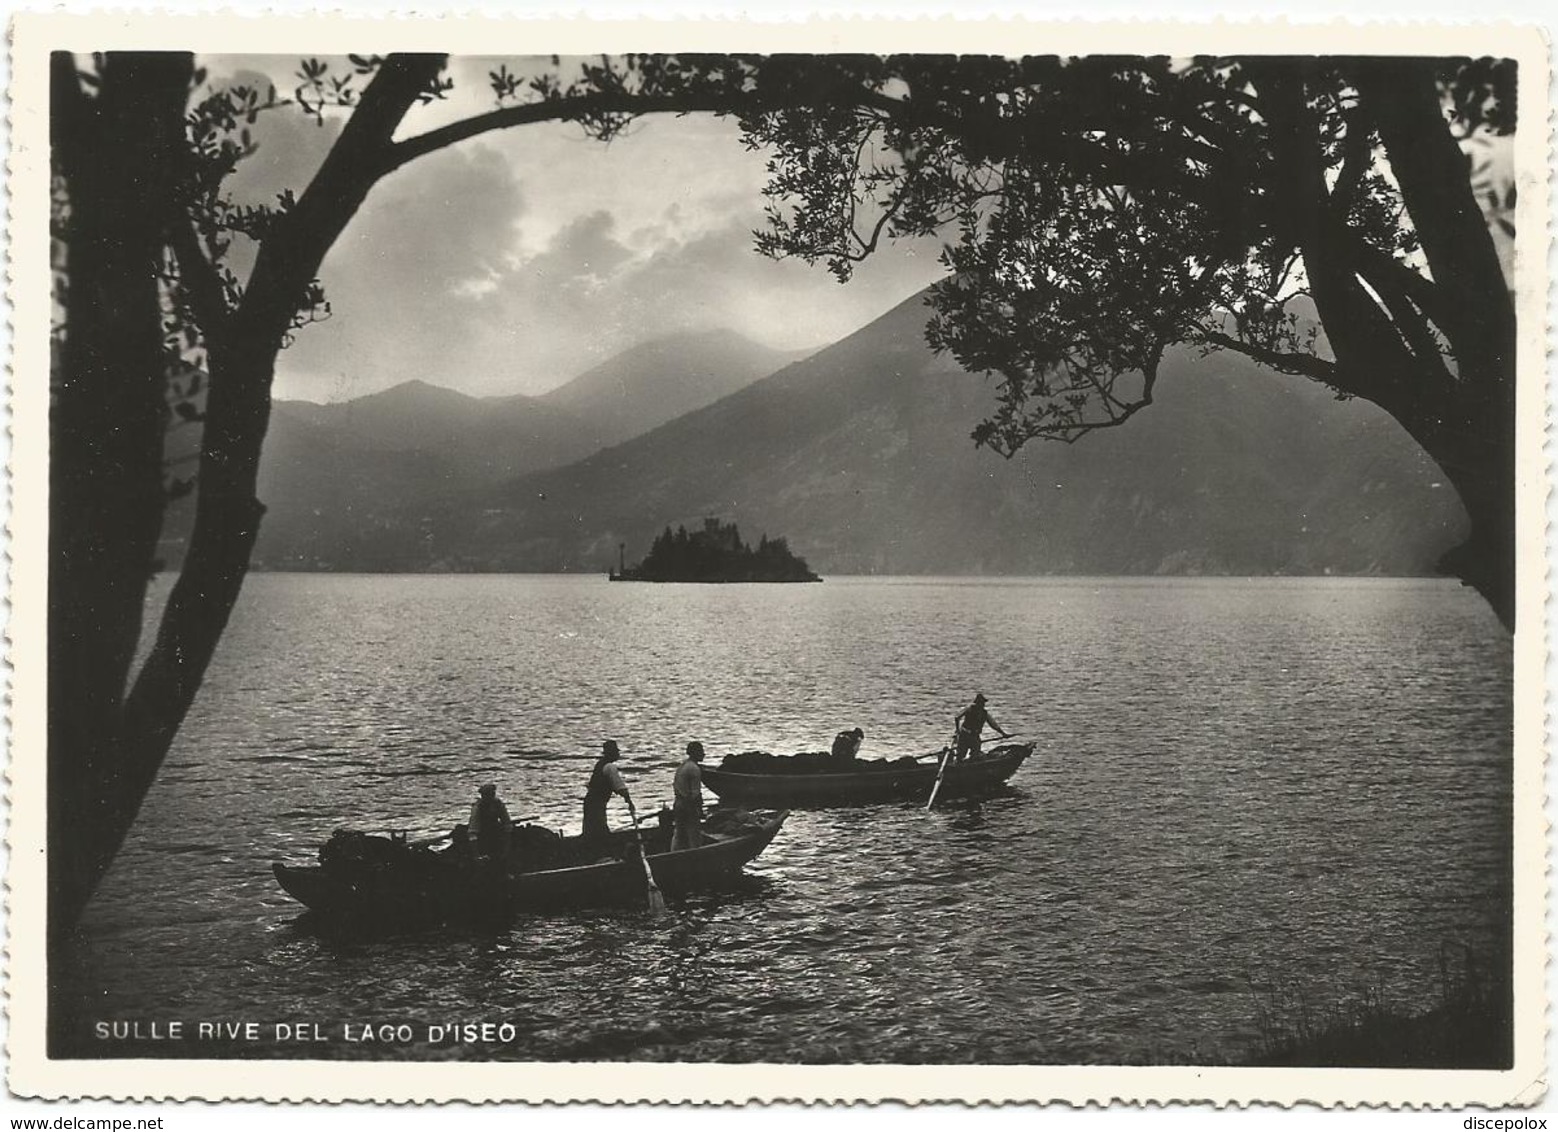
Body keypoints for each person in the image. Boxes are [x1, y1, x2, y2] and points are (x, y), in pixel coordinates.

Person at [582, 740, 632, 841]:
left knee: (591, 830)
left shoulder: (600, 764)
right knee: (598, 830)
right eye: (616, 752)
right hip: (597, 803)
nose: (618, 754)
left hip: (590, 801)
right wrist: (629, 801)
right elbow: (620, 787)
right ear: (612, 753)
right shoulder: (610, 767)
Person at [953, 693, 1008, 762]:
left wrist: (1003, 734)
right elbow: (957, 717)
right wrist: (958, 731)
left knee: (975, 755)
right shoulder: (969, 708)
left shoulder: (984, 713)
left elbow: (993, 724)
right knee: (961, 755)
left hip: (975, 736)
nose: (983, 705)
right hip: (964, 735)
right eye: (981, 703)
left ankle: (971, 767)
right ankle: (959, 766)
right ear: (977, 703)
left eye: (983, 703)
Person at [671, 741, 706, 850]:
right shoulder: (694, 769)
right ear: (695, 753)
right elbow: (695, 794)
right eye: (701, 751)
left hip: (678, 803)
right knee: (694, 834)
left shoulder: (683, 766)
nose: (703, 754)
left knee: (679, 833)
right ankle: (696, 856)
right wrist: (699, 810)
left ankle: (674, 853)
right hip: (688, 805)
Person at [468, 783, 513, 862]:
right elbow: (473, 831)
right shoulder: (477, 808)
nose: (490, 796)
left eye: (492, 794)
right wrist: (476, 855)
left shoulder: (498, 803)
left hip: (495, 832)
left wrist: (507, 847)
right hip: (482, 835)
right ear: (483, 796)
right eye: (487, 795)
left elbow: (506, 822)